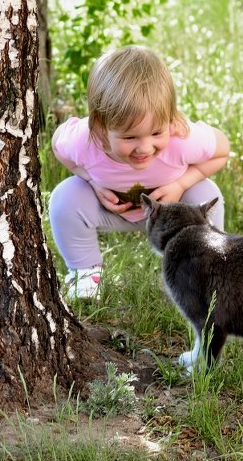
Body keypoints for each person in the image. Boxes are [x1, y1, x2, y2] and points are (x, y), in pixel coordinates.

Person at [49, 45, 230, 298]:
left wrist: (181, 184)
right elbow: (58, 145)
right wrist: (91, 180)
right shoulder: (86, 141)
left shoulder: (181, 139)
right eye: (130, 137)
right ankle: (85, 274)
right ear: (101, 128)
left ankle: (206, 269)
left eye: (156, 133)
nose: (144, 147)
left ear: (170, 119)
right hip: (110, 211)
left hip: (173, 213)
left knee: (205, 192)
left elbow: (222, 149)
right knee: (65, 197)